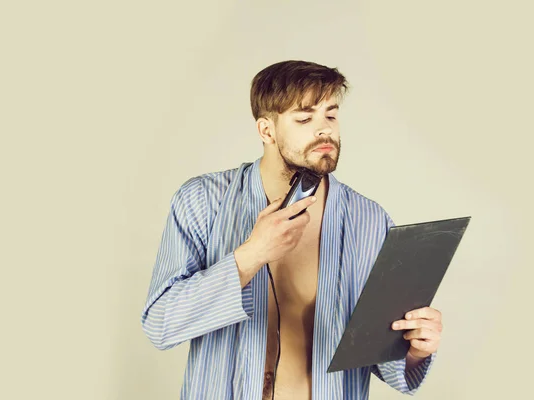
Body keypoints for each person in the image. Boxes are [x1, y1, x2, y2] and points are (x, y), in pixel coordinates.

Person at [141, 60, 443, 400]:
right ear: (266, 130)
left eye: (331, 114)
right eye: (304, 118)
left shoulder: (370, 220)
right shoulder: (201, 201)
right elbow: (160, 325)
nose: (324, 129)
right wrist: (251, 256)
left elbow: (378, 352)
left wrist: (415, 349)